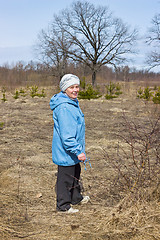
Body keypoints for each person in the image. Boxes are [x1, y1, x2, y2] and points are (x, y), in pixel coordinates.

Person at [50, 74, 90, 213]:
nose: (75, 90)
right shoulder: (65, 107)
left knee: (75, 174)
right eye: (71, 87)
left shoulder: (72, 102)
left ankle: (75, 198)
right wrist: (78, 151)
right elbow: (67, 136)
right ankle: (63, 206)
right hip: (66, 150)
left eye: (77, 86)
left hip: (72, 150)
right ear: (64, 89)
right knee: (66, 178)